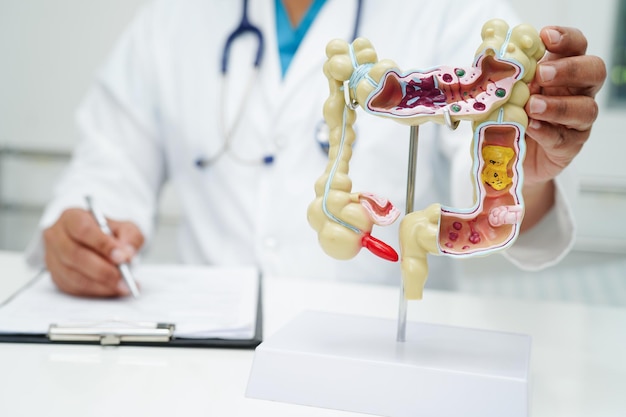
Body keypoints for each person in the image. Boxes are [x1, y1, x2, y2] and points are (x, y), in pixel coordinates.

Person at [26, 0, 606, 297]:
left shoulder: (455, 13)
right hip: (210, 362)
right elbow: (110, 164)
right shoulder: (174, 19)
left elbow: (497, 188)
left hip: (384, 368)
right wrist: (86, 232)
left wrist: (527, 170)